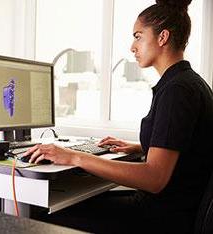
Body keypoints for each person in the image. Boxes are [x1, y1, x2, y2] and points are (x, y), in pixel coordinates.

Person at [24, 0, 213, 233]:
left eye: (138, 36)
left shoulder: (177, 90)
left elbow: (155, 178)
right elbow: (187, 148)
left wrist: (74, 157)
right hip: (175, 209)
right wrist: (140, 147)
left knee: (42, 219)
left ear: (162, 37)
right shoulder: (190, 82)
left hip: (163, 218)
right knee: (82, 202)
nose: (132, 46)